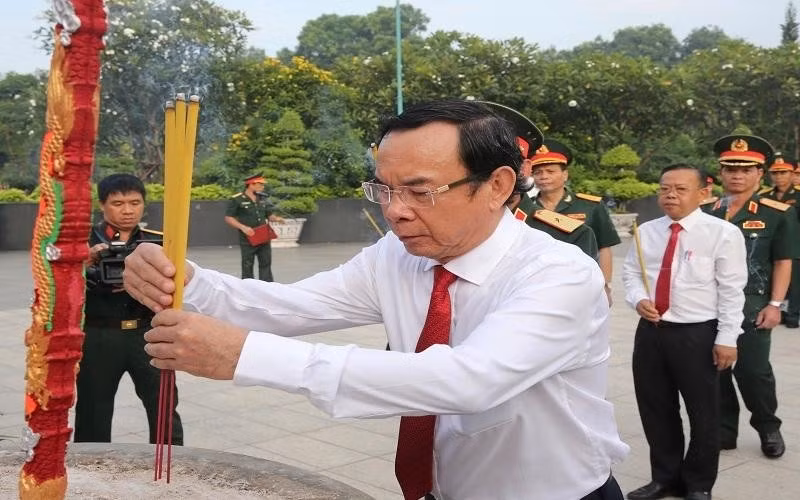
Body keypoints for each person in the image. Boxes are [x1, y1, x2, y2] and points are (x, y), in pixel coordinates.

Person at [123, 100, 629, 500]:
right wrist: (187, 280)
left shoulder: (558, 274)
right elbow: (295, 306)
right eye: (383, 190)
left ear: (497, 185)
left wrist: (244, 355)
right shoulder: (398, 255)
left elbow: (468, 381)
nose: (396, 212)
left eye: (419, 191)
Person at [622, 164, 747, 500]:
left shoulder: (722, 233)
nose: (670, 195)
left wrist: (726, 339)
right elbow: (631, 274)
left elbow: (733, 291)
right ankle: (664, 478)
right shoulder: (645, 231)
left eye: (680, 189)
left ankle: (699, 484)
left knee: (704, 413)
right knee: (656, 408)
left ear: (703, 194)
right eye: (665, 189)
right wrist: (638, 300)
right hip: (651, 331)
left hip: (698, 334)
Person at [704, 134, 800, 458]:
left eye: (747, 169)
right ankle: (724, 431)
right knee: (715, 370)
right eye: (730, 168)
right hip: (708, 303)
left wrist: (776, 305)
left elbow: (783, 261)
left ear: (760, 173)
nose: (737, 175)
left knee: (754, 371)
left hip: (752, 303)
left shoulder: (777, 213)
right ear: (720, 172)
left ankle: (768, 427)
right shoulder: (706, 212)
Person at [75, 173, 183, 445]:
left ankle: (173, 467)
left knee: (164, 407)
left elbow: (177, 282)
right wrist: (81, 265)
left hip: (146, 333)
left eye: (135, 203)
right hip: (99, 336)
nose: (127, 210)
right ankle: (91, 473)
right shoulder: (80, 243)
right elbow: (55, 287)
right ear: (102, 205)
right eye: (118, 203)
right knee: (92, 410)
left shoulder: (158, 242)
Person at [481, 101, 599, 259]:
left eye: (506, 165)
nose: (491, 173)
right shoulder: (453, 226)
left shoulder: (570, 235)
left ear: (525, 169)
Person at [529, 140, 621, 301]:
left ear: (565, 174)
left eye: (550, 171)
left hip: (582, 284)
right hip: (536, 286)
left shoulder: (590, 205)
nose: (544, 176)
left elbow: (604, 248)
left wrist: (606, 285)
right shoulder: (527, 208)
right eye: (538, 172)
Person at [760, 153, 800, 328]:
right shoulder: (764, 195)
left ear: (792, 174)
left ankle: (793, 315)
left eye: (784, 172)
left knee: (795, 281)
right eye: (775, 173)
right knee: (773, 278)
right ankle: (779, 311)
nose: (779, 177)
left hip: (795, 244)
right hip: (770, 244)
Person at [224, 173, 284, 281]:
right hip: (248, 237)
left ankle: (267, 286)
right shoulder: (237, 199)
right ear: (251, 185)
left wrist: (277, 219)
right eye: (260, 184)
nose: (263, 186)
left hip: (263, 235)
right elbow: (229, 218)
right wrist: (243, 227)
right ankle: (248, 286)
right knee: (247, 264)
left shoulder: (262, 198)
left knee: (266, 263)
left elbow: (269, 215)